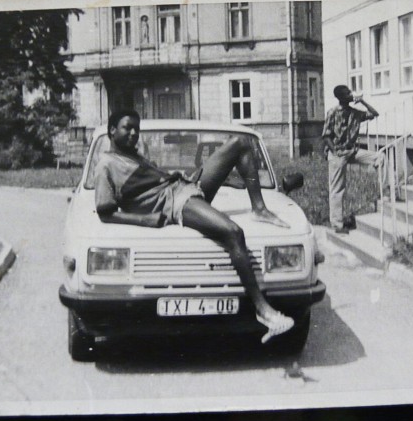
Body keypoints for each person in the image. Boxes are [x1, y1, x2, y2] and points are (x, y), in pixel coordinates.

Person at [94, 110, 294, 343]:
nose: (133, 133)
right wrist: (145, 220)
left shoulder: (133, 155)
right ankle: (264, 311)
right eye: (127, 128)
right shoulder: (106, 165)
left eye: (136, 129)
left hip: (186, 186)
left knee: (241, 142)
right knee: (233, 233)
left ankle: (259, 208)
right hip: (176, 201)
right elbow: (105, 212)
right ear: (111, 131)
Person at [322, 85, 385, 235]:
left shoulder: (355, 112)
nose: (351, 95)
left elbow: (374, 113)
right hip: (338, 153)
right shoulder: (332, 112)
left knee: (380, 157)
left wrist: (362, 101)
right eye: (348, 93)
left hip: (352, 151)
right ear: (341, 97)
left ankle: (386, 191)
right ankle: (337, 224)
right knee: (337, 188)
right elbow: (326, 135)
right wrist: (335, 151)